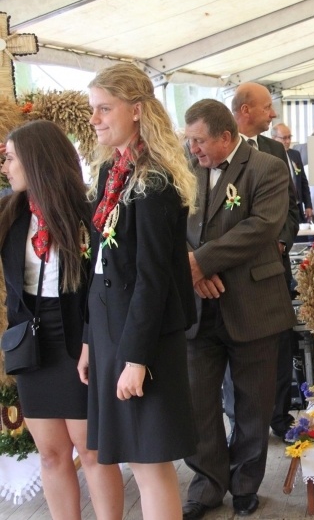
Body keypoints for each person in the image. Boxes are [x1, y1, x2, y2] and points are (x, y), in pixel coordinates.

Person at [82, 63, 198, 520]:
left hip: (143, 341)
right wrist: (92, 339)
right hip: (113, 334)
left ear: (136, 110)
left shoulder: (152, 181)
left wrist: (135, 358)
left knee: (150, 464)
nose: (95, 119)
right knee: (133, 457)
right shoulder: (114, 173)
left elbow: (153, 279)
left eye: (104, 109)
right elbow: (100, 267)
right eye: (94, 110)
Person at [0, 120, 123, 520]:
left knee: (90, 450)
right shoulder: (9, 212)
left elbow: (102, 287)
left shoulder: (88, 212)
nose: (6, 167)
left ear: (36, 161)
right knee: (51, 454)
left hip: (79, 339)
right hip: (31, 342)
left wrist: (93, 339)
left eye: (11, 158)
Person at [182, 99, 295, 519]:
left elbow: (261, 227)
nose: (193, 149)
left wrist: (201, 261)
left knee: (253, 403)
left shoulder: (267, 167)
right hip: (196, 305)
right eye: (189, 140)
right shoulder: (184, 168)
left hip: (253, 304)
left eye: (199, 141)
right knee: (197, 402)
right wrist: (189, 268)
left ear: (226, 136)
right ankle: (207, 483)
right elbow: (167, 224)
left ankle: (246, 483)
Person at [230, 84, 301, 444]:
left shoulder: (275, 150)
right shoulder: (213, 151)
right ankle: (240, 420)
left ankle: (279, 415)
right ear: (245, 110)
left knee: (278, 344)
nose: (273, 114)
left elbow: (292, 206)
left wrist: (282, 240)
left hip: (274, 268)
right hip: (231, 273)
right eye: (267, 107)